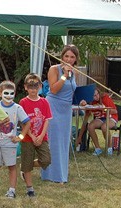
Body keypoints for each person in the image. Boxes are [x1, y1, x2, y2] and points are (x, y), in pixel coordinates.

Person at [0, 80, 30, 198]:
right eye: (6, 93)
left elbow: (27, 123)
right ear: (0, 93)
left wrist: (20, 137)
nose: (9, 96)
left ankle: (12, 190)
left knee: (11, 166)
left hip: (10, 143)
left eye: (12, 93)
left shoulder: (17, 108)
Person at [42, 45, 79, 183]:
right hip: (53, 106)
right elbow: (54, 89)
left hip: (66, 109)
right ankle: (50, 175)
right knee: (53, 141)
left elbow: (72, 91)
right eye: (66, 56)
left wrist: (81, 100)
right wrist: (64, 75)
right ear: (62, 56)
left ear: (75, 59)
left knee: (63, 141)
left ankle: (61, 173)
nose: (69, 59)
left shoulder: (75, 72)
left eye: (72, 57)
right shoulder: (54, 69)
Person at [19, 74, 52, 197]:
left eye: (35, 86)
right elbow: (23, 122)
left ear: (40, 87)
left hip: (42, 137)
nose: (33, 89)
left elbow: (47, 120)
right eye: (30, 87)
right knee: (27, 160)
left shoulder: (44, 102)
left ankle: (26, 165)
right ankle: (30, 188)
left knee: (46, 160)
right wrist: (32, 136)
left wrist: (41, 135)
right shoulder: (23, 102)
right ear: (26, 87)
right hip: (28, 137)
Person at [78, 88, 118, 156]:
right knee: (90, 126)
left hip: (111, 117)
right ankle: (97, 149)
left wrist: (103, 109)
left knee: (104, 127)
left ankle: (109, 148)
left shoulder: (105, 98)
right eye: (94, 96)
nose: (96, 97)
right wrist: (79, 137)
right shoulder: (90, 103)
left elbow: (115, 111)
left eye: (97, 94)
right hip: (100, 119)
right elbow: (85, 121)